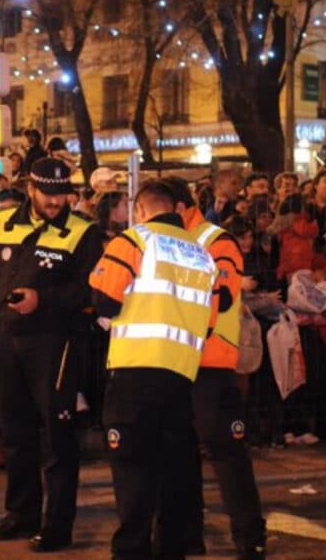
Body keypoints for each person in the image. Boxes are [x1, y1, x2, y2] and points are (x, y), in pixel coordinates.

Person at [0, 157, 103, 552]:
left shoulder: (84, 232)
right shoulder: (3, 223)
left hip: (56, 343)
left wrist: (43, 299)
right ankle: (20, 515)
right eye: (48, 193)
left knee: (58, 437)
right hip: (8, 342)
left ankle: (58, 525)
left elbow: (90, 291)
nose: (56, 201)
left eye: (62, 194)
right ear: (30, 190)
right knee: (15, 433)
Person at [89, 182, 218, 560]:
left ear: (141, 210)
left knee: (132, 468)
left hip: (134, 370)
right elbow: (208, 324)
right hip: (180, 376)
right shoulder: (201, 256)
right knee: (174, 468)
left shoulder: (134, 240)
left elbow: (103, 300)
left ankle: (131, 551)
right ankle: (171, 548)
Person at [166, 177, 267, 560]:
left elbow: (220, 298)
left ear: (177, 209)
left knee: (227, 454)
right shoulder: (164, 240)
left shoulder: (216, 240)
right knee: (178, 454)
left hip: (209, 364)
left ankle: (249, 536)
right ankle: (187, 535)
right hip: (173, 363)